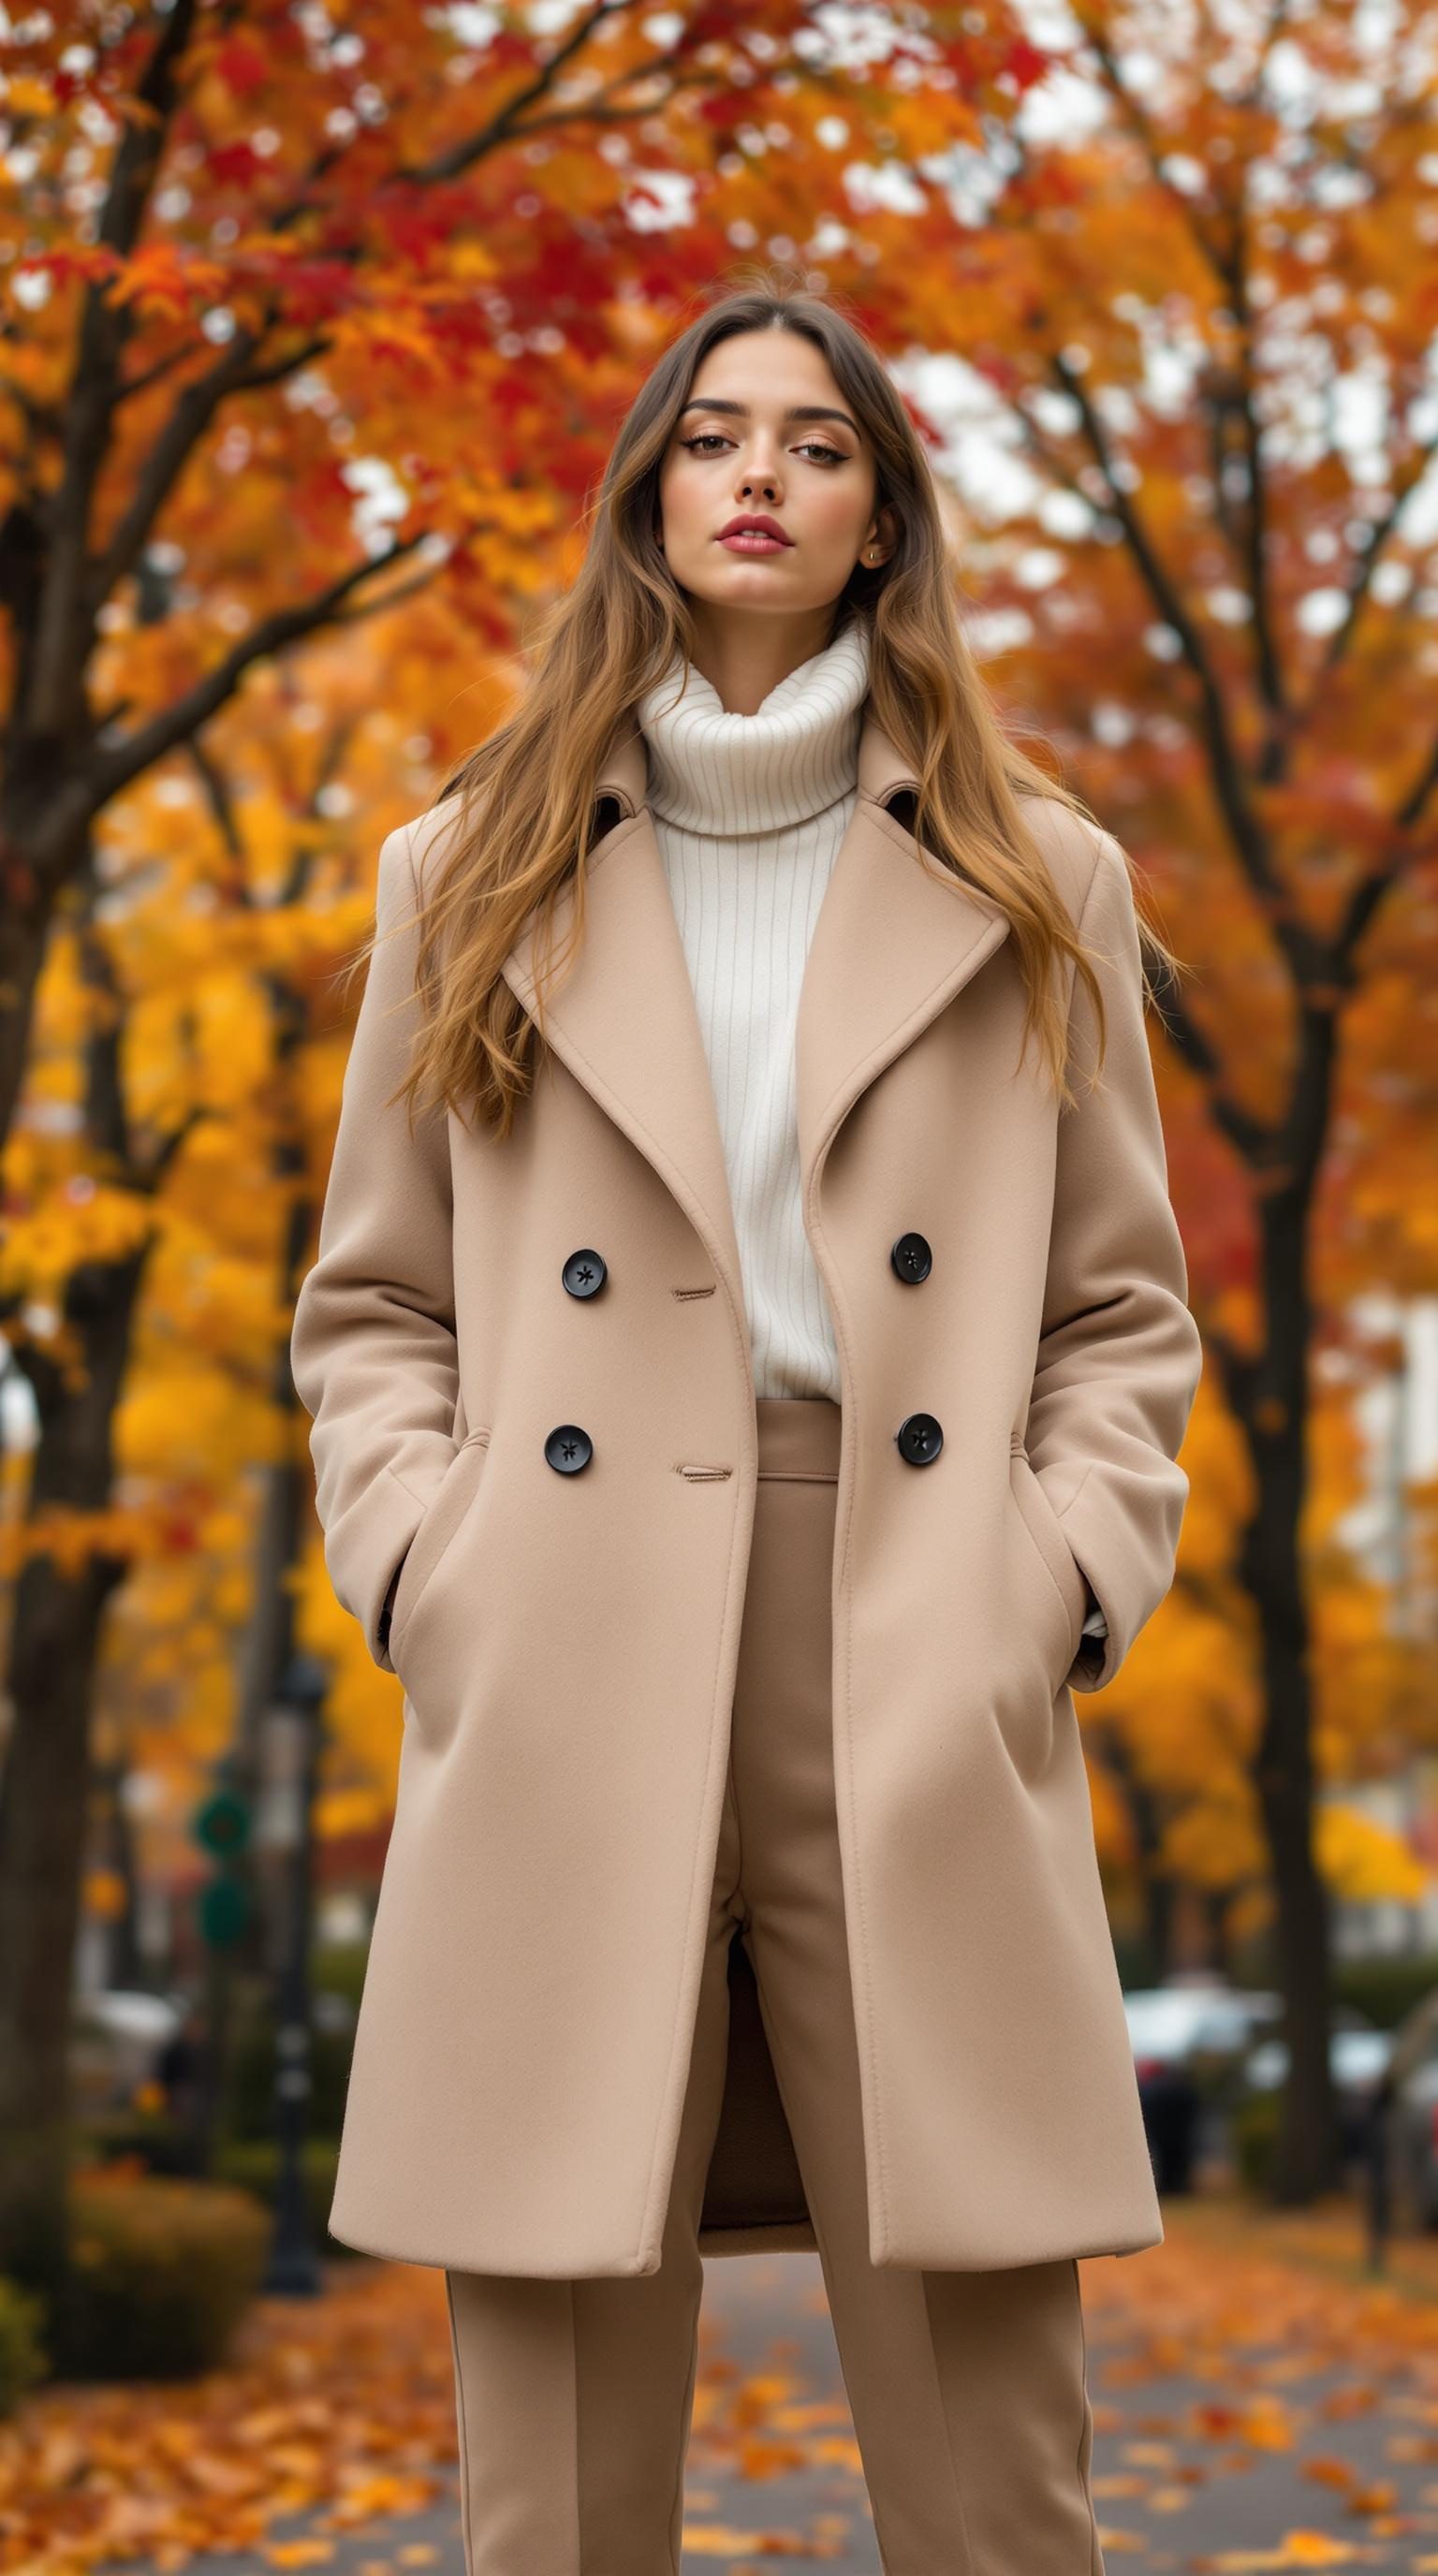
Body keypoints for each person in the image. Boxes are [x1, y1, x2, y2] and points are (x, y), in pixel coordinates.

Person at [290, 269, 1204, 2573]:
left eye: (815, 442)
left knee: (990, 2418)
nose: (760, 477)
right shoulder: (465, 865)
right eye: (714, 437)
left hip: (907, 1617)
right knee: (556, 2436)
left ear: (881, 514)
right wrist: (433, 1563)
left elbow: (1118, 1312)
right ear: (651, 495)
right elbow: (375, 1296)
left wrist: (1052, 1581)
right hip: (567, 1624)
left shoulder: (1038, 876)